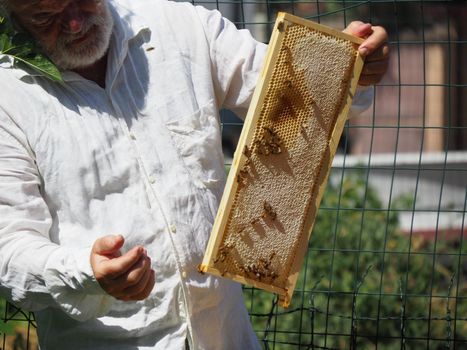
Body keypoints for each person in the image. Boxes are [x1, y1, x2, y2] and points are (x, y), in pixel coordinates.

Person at [0, 0, 389, 348]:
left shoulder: (180, 27)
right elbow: (9, 249)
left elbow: (296, 89)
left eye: (81, 2)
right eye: (45, 15)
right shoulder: (8, 99)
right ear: (10, 14)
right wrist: (87, 272)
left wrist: (351, 63)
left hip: (224, 336)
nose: (72, 24)